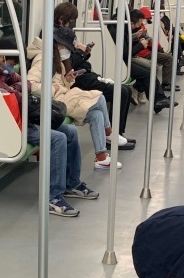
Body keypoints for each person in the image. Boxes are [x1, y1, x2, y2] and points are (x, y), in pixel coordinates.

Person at [0, 36, 99, 218]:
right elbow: (13, 95)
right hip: (12, 124)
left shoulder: (3, 69)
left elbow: (26, 84)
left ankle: (71, 183)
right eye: (10, 63)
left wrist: (18, 88)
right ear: (2, 57)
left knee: (69, 131)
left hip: (24, 117)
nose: (12, 67)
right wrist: (19, 88)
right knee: (57, 138)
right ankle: (53, 197)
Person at [28, 28, 123, 171]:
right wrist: (54, 89)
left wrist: (68, 80)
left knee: (96, 115)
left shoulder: (54, 58)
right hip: (54, 102)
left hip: (61, 96)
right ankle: (109, 133)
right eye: (67, 47)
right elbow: (31, 84)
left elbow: (57, 81)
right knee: (99, 97)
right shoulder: (42, 58)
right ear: (58, 44)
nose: (67, 51)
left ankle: (101, 157)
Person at [53, 2, 135, 148]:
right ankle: (111, 136)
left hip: (80, 75)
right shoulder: (57, 37)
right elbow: (69, 64)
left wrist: (83, 54)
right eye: (71, 20)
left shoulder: (64, 32)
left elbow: (73, 61)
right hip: (76, 80)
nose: (73, 23)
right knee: (121, 92)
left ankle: (116, 133)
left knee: (126, 90)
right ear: (62, 18)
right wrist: (82, 54)